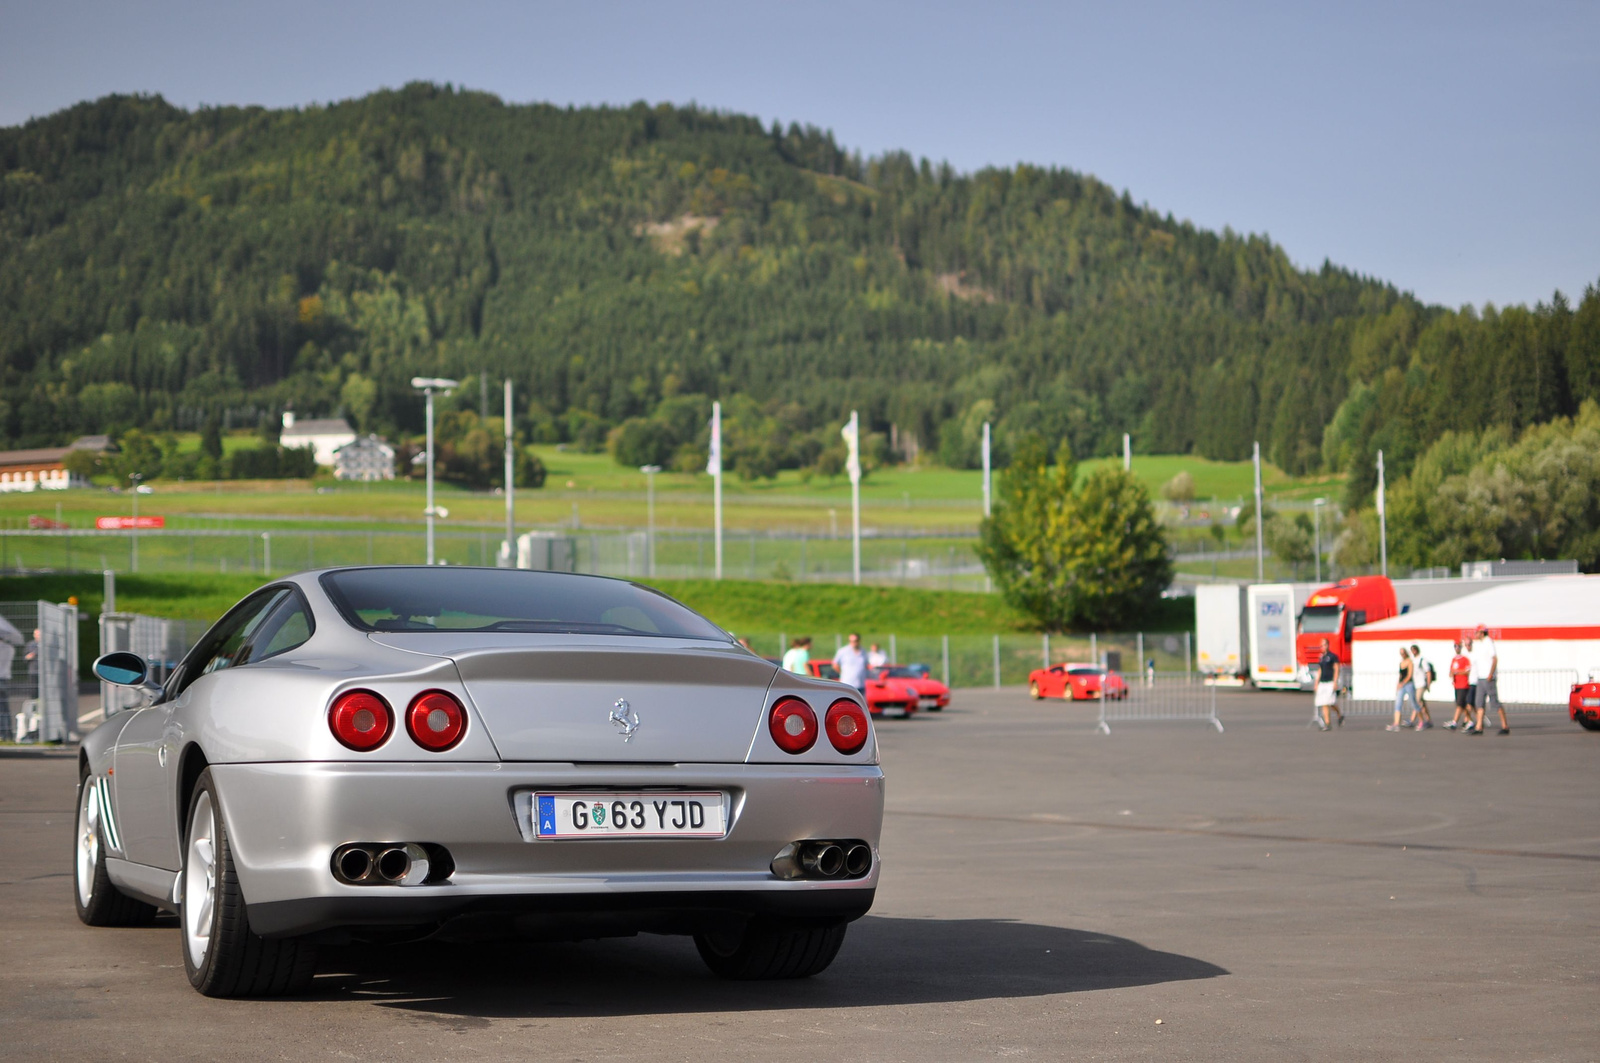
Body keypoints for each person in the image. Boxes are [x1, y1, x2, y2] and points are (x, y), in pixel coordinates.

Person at [1469, 624, 1507, 736]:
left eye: (1477, 632)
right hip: (1480, 677)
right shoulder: (1479, 645)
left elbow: (1494, 659)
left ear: (1482, 632)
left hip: (1488, 677)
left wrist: (1491, 674)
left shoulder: (1488, 642)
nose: (1475, 634)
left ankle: (1505, 725)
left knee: (1494, 702)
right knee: (1479, 703)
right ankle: (1479, 726)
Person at [0, 613, 21, 741]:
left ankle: (2, 733)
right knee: (5, 708)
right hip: (5, 678)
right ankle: (8, 734)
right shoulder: (10, 648)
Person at [1313, 638, 1342, 731]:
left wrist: (1335, 681)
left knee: (1331, 702)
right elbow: (1320, 669)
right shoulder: (1321, 657)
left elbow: (1337, 669)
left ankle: (1339, 714)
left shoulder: (1333, 656)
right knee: (1323, 703)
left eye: (1324, 645)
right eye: (1321, 645)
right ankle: (1327, 723)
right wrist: (1316, 682)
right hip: (1322, 682)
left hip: (1330, 682)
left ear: (1328, 645)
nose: (1323, 647)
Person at [1387, 646, 1418, 732]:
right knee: (1398, 703)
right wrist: (1398, 684)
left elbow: (1409, 675)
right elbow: (1400, 675)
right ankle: (1396, 723)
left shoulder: (1409, 662)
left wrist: (1403, 682)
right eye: (1401, 654)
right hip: (1402, 685)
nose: (1402, 655)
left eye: (1403, 653)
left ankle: (1421, 720)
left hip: (1409, 684)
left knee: (1414, 703)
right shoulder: (1401, 663)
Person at [1445, 638, 1473, 730]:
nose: (1457, 648)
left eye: (1458, 646)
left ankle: (1456, 722)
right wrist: (1452, 674)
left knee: (1460, 704)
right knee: (1462, 704)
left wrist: (1457, 672)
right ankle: (1468, 721)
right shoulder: (1453, 659)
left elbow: (1467, 671)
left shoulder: (1465, 659)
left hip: (1463, 684)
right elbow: (1451, 671)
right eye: (1455, 646)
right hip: (1457, 684)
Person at [1410, 643, 1434, 729]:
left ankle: (1415, 720)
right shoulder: (1413, 660)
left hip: (1421, 684)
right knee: (1422, 703)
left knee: (1417, 701)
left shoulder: (1422, 660)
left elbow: (1428, 672)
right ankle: (1429, 720)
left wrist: (1428, 684)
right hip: (1416, 684)